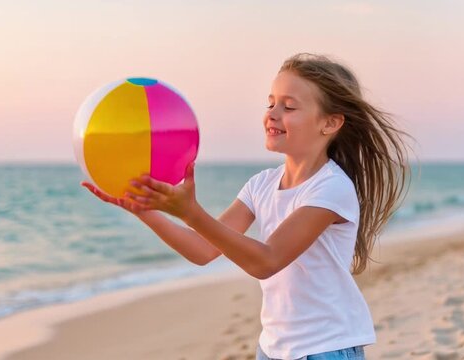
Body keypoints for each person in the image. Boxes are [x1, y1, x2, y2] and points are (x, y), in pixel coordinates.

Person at [81, 53, 413, 360]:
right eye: (270, 103)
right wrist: (147, 211)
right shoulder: (261, 185)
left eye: (289, 106)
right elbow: (202, 250)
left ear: (329, 123)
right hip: (272, 347)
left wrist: (191, 212)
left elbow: (266, 261)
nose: (273, 114)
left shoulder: (331, 189)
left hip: (326, 347)